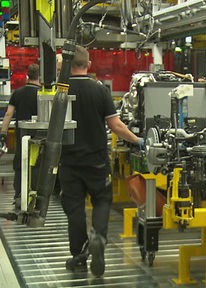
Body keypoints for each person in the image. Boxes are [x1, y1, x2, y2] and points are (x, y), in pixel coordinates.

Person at [60, 46, 143, 277]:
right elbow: (116, 126)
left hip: (68, 161)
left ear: (67, 65)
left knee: (74, 207)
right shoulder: (99, 90)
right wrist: (137, 140)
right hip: (96, 160)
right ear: (89, 63)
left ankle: (78, 254)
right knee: (102, 199)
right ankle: (98, 237)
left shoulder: (59, 90)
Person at [0, 63, 41, 207]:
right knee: (37, 164)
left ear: (27, 76)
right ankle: (36, 196)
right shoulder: (42, 93)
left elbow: (9, 114)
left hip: (22, 136)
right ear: (39, 76)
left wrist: (3, 134)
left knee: (20, 164)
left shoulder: (17, 93)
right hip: (39, 137)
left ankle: (19, 195)